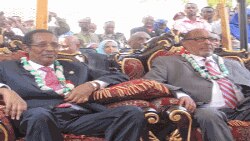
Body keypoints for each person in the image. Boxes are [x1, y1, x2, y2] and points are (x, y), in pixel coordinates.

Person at [0, 29, 146, 141]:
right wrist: (5, 91)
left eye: (54, 45)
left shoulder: (76, 67)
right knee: (40, 115)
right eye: (42, 44)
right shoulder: (8, 67)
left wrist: (91, 85)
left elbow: (119, 76)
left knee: (132, 113)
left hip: (78, 116)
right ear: (26, 48)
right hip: (37, 114)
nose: (50, 48)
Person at [143, 28, 250, 141]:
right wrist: (180, 94)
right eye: (200, 39)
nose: (208, 42)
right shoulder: (167, 62)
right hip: (204, 108)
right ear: (185, 43)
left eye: (211, 39)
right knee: (210, 115)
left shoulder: (232, 63)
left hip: (242, 107)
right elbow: (150, 82)